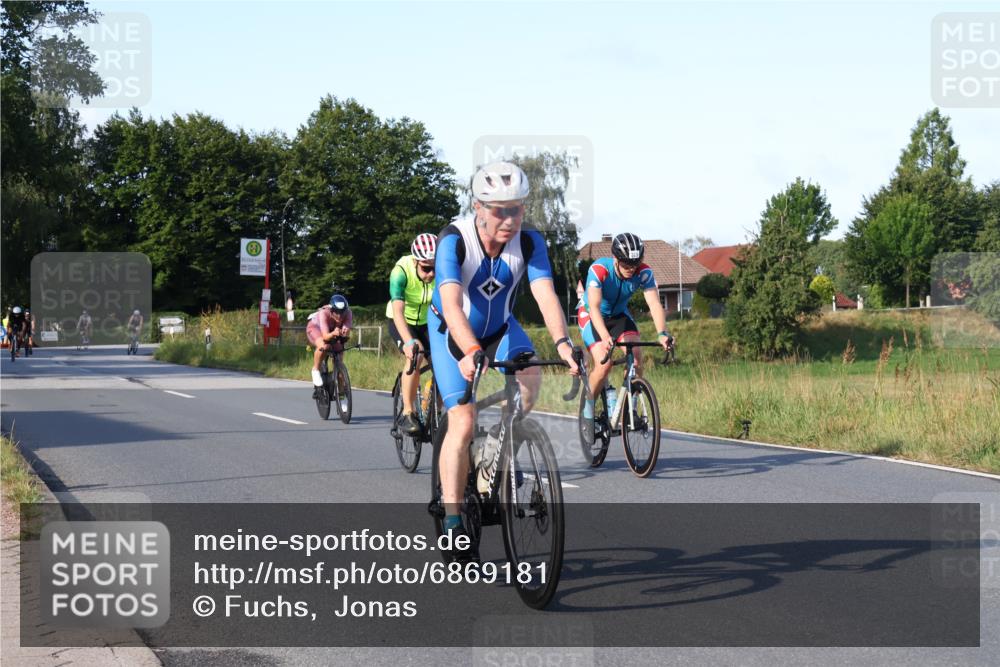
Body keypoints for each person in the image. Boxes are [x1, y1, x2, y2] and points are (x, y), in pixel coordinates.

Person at [429, 161, 579, 560]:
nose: (510, 220)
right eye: (500, 210)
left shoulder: (529, 242)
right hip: (452, 331)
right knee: (462, 420)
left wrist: (563, 344)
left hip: (500, 327)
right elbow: (451, 305)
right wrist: (470, 351)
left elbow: (545, 294)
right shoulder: (454, 240)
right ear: (478, 207)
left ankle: (497, 447)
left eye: (517, 209)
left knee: (530, 379)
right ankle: (453, 520)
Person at [577, 233, 674, 425]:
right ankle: (587, 408)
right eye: (626, 265)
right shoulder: (599, 270)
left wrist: (662, 333)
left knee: (636, 358)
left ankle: (630, 410)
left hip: (619, 315)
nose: (631, 269)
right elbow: (594, 308)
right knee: (604, 365)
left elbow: (654, 304)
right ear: (615, 259)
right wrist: (605, 336)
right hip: (591, 315)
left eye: (635, 264)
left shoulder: (644, 273)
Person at [386, 233, 437, 435]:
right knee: (417, 353)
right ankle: (408, 412)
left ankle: (433, 406)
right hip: (401, 320)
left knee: (445, 362)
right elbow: (398, 311)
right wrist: (408, 342)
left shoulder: (443, 270)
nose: (431, 274)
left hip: (427, 321)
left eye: (435, 267)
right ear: (415, 261)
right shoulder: (400, 272)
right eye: (426, 268)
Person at [306, 294, 353, 398]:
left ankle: (341, 392)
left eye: (342, 312)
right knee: (324, 346)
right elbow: (326, 336)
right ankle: (315, 370)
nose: (340, 316)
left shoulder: (348, 313)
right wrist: (333, 334)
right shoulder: (324, 313)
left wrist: (344, 332)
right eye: (337, 312)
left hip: (332, 330)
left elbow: (346, 329)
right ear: (331, 310)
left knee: (339, 351)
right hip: (316, 328)